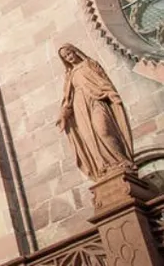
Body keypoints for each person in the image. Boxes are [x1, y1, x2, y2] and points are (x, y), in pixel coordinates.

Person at [57, 43, 134, 180]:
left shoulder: (89, 64)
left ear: (75, 51)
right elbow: (68, 98)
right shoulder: (70, 75)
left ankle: (122, 161)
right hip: (80, 107)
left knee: (103, 131)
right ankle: (104, 167)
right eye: (65, 57)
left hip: (96, 101)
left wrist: (111, 94)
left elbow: (103, 80)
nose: (69, 57)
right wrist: (64, 114)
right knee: (90, 138)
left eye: (69, 53)